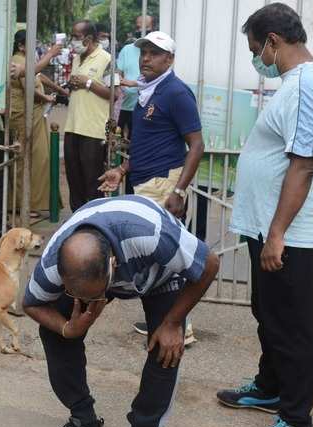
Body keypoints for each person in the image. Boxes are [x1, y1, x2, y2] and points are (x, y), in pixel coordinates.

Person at [218, 4, 313, 427]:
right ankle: (270, 386)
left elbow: (304, 164)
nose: (256, 59)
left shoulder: (309, 84)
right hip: (268, 226)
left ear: (273, 40)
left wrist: (277, 234)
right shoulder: (295, 83)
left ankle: (295, 421)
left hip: (285, 233)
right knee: (267, 313)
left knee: (290, 325)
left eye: (256, 49)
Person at [23, 195, 219, 427]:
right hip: (101, 271)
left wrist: (172, 323)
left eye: (93, 297)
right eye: (77, 296)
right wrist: (67, 328)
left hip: (161, 273)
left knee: (166, 346)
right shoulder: (52, 264)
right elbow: (31, 303)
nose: (86, 303)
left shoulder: (152, 234)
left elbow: (210, 264)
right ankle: (85, 425)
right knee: (53, 331)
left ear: (113, 266)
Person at [98, 31, 205, 346]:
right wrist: (121, 169)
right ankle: (167, 319)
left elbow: (197, 146)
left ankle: (179, 327)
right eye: (143, 52)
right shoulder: (148, 91)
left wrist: (180, 191)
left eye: (154, 53)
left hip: (162, 183)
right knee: (156, 256)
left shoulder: (176, 93)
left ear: (169, 59)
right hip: (144, 181)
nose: (146, 58)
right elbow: (146, 144)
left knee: (162, 254)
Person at [9, 30, 67, 217]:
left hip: (33, 114)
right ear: (21, 45)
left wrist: (59, 90)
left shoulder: (26, 59)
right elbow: (29, 87)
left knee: (37, 159)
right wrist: (47, 98)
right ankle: (25, 203)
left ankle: (31, 202)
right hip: (24, 115)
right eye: (31, 43)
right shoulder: (18, 60)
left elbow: (38, 75)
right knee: (28, 159)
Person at [64, 20, 112, 212]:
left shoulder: (107, 59)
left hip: (93, 131)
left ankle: (92, 224)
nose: (72, 41)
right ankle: (77, 220)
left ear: (89, 39)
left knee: (92, 182)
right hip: (72, 127)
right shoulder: (77, 58)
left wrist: (88, 82)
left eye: (76, 37)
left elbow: (113, 94)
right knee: (74, 180)